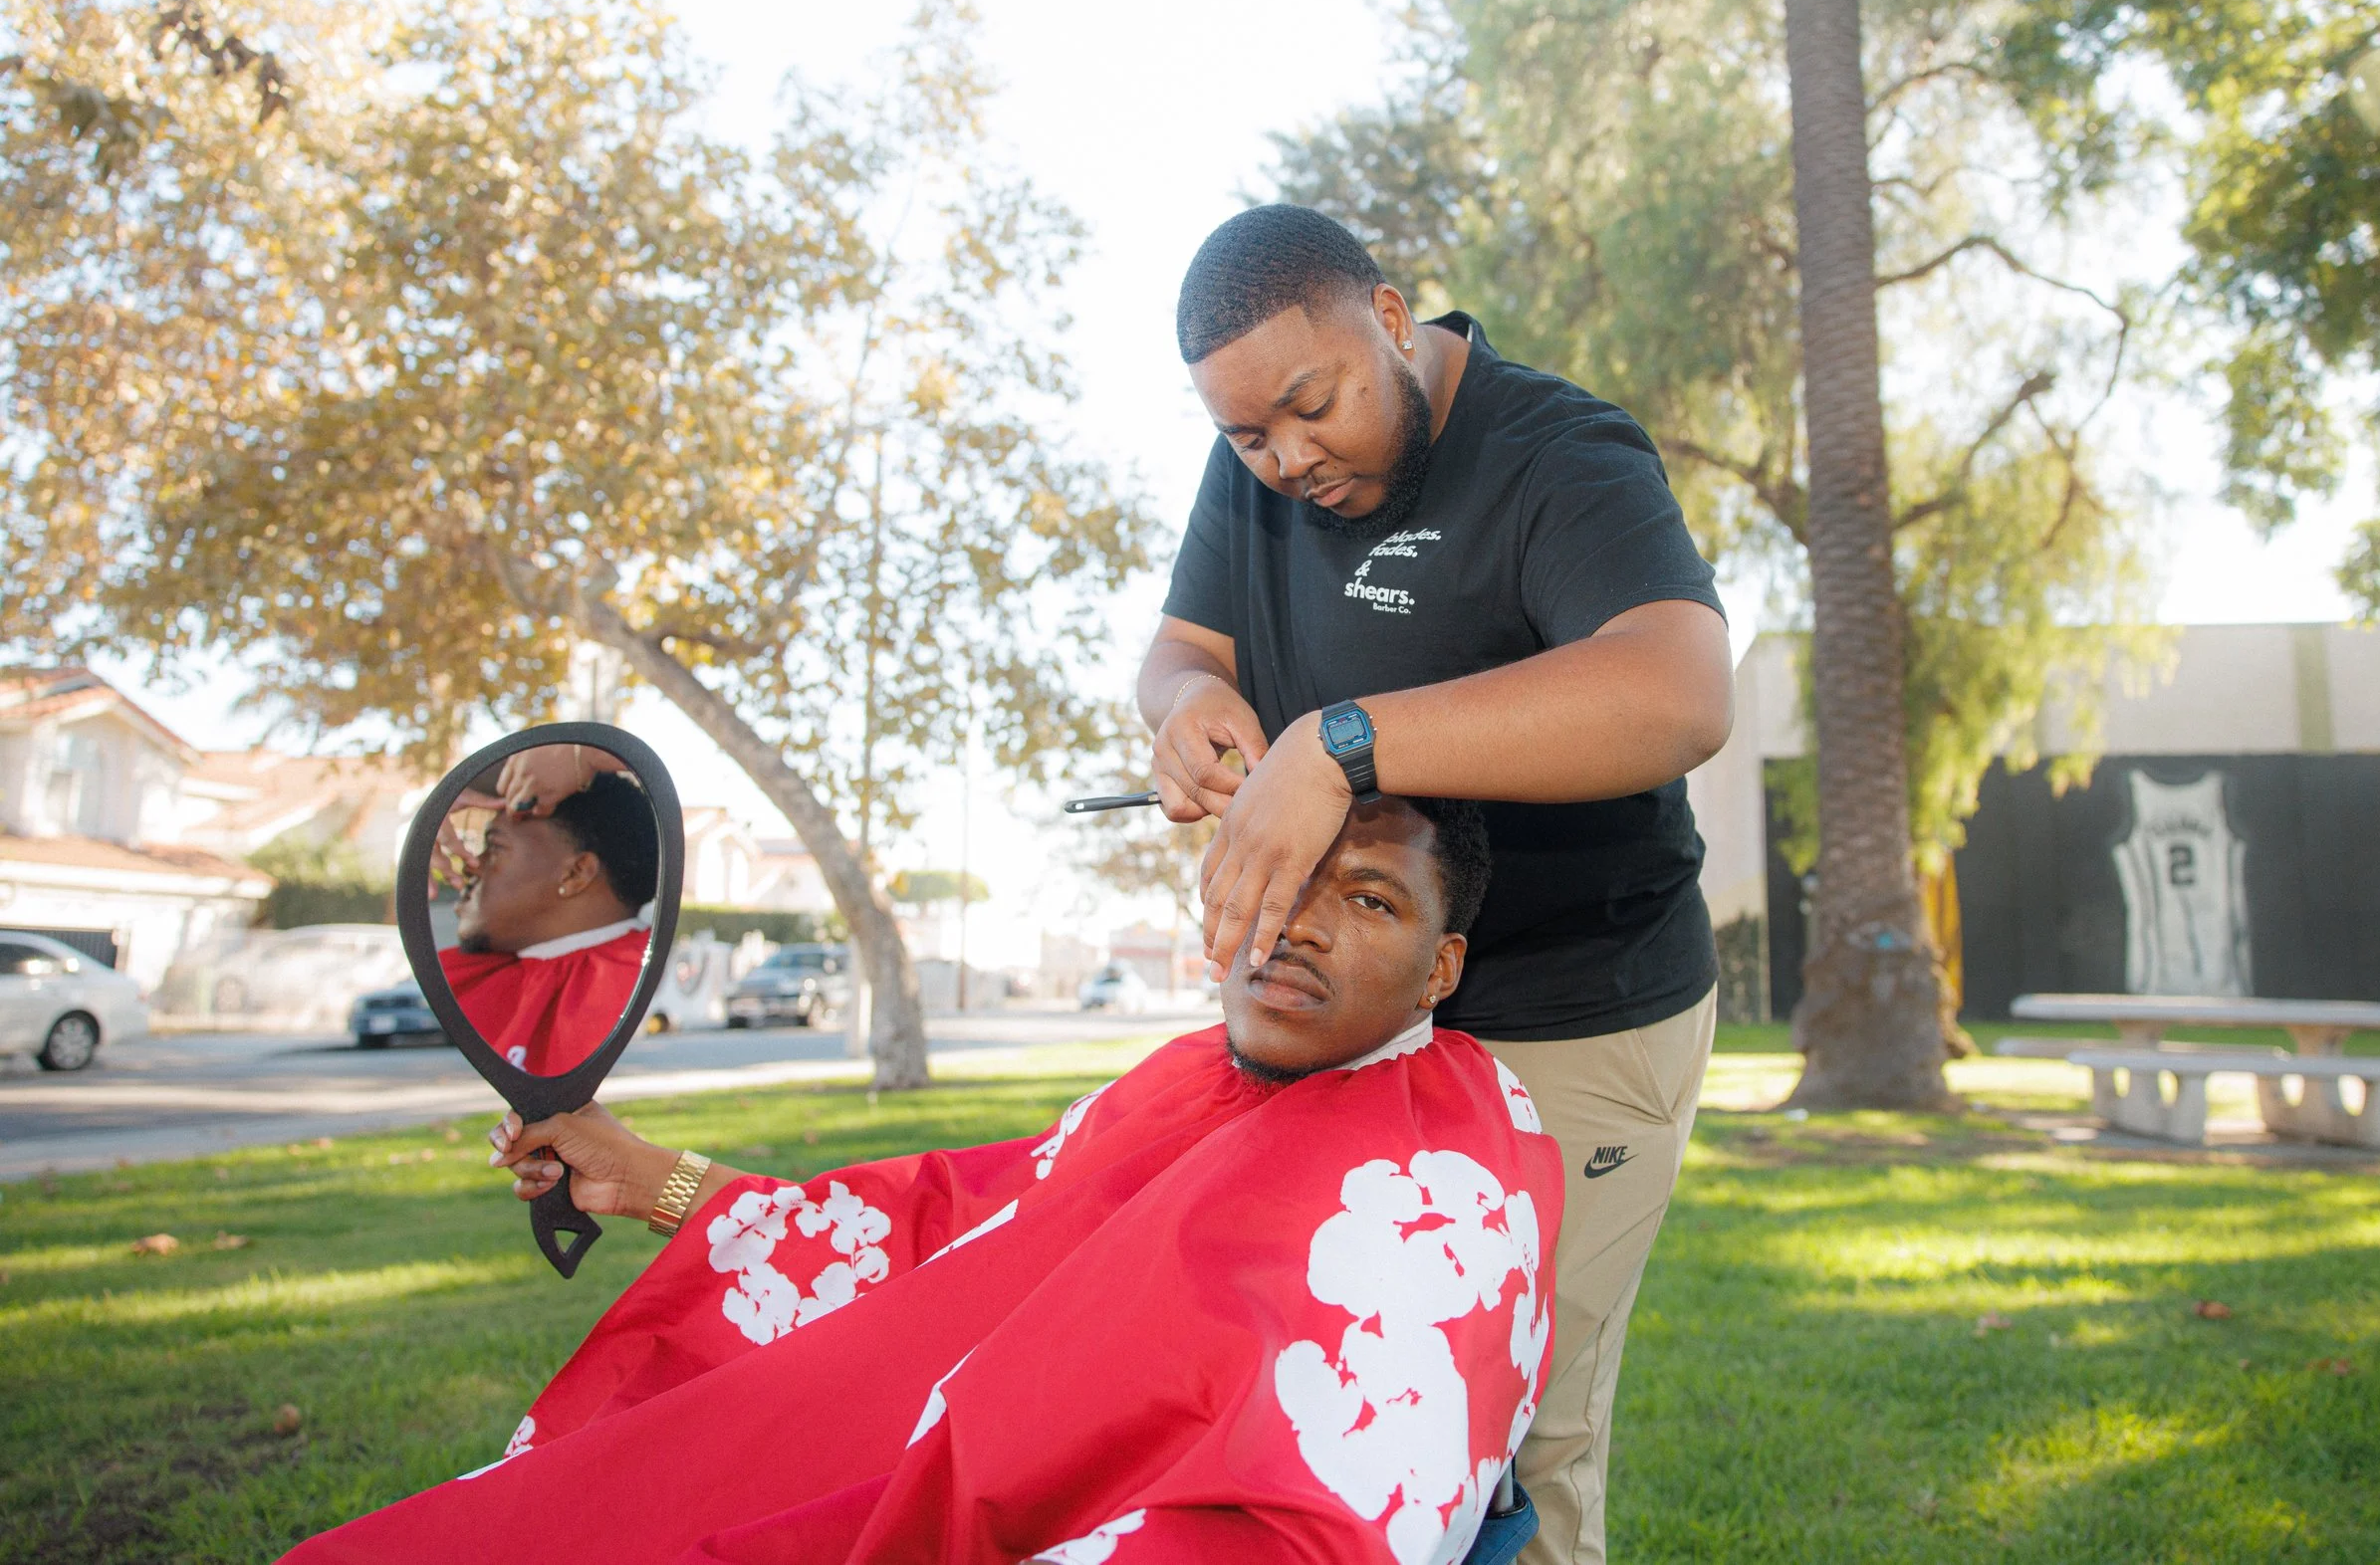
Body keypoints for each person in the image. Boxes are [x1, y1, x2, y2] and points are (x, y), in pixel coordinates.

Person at [281, 797, 1564, 1565]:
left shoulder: (1445, 1167)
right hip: (867, 1468)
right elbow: (950, 1228)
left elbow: (1324, 1506)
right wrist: (660, 1183)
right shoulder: (1185, 1070)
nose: (1298, 924)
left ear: (1442, 965)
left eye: (1370, 900)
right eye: (1279, 878)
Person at [1144, 204, 1734, 1564]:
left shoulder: (1560, 451)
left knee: (1513, 1423)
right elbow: (1180, 644)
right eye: (1247, 435)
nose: (1286, 457)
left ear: (1394, 319)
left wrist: (1346, 739)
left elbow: (1681, 689)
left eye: (1311, 405)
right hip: (1367, 1002)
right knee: (1318, 1374)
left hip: (1576, 1004)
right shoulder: (1256, 464)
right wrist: (1188, 703)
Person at [436, 769, 660, 1075]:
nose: (471, 867)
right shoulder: (472, 976)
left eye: (495, 847)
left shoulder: (636, 986)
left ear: (576, 873)